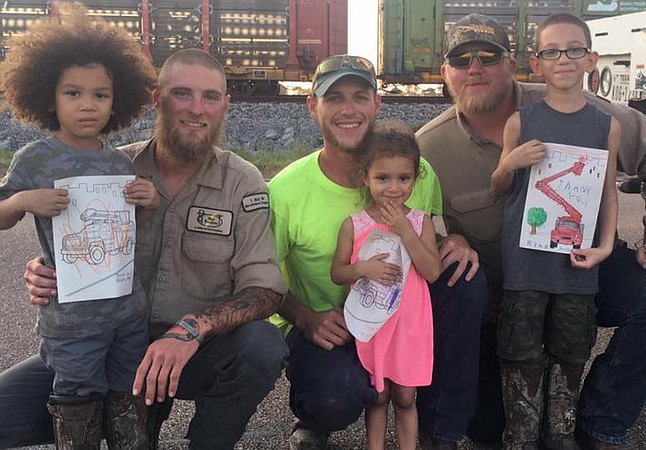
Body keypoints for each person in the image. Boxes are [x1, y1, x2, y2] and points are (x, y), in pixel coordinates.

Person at [415, 13, 646, 449]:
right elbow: (402, 215)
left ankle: (599, 419)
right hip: (501, 300)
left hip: (581, 275)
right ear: (445, 71)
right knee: (492, 430)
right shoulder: (427, 148)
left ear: (513, 65)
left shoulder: (574, 107)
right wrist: (444, 238)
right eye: (461, 59)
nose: (475, 69)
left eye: (488, 58)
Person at [1, 48, 289, 450]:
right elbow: (59, 228)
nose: (196, 109)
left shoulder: (243, 181)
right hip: (106, 342)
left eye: (209, 97)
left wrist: (190, 329)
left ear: (226, 106)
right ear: (157, 98)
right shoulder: (115, 169)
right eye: (182, 93)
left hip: (192, 352)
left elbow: (266, 291)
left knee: (261, 346)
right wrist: (47, 267)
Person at [268, 54, 486, 450]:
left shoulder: (417, 174)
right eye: (334, 98)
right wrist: (305, 317)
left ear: (377, 104)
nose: (348, 110)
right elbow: (259, 275)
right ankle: (314, 418)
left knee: (466, 279)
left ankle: (441, 428)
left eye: (360, 97)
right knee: (335, 396)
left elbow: (435, 233)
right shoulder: (285, 191)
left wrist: (458, 240)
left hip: (402, 318)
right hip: (332, 326)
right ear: (313, 106)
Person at [0, 5, 158, 447]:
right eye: (74, 93)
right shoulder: (35, 159)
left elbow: (129, 228)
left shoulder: (118, 161)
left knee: (128, 397)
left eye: (100, 95)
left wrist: (150, 200)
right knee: (75, 399)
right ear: (49, 98)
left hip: (127, 312)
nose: (88, 104)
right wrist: (20, 200)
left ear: (117, 101)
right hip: (71, 320)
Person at [489, 13, 619, 449]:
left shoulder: (606, 127)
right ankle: (521, 436)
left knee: (571, 348)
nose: (563, 59)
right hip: (526, 265)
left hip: (578, 265)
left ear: (590, 59)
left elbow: (608, 193)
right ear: (536, 63)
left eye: (574, 49)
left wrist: (604, 246)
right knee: (520, 351)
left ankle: (560, 432)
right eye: (551, 51)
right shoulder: (520, 123)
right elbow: (498, 187)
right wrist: (509, 163)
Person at [330, 123, 441, 450]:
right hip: (374, 325)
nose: (393, 188)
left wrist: (406, 231)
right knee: (377, 396)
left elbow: (432, 272)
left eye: (403, 178)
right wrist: (364, 268)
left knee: (406, 397)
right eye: (383, 178)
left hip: (409, 327)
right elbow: (338, 272)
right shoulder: (355, 223)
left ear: (415, 177)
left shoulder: (421, 222)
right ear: (365, 176)